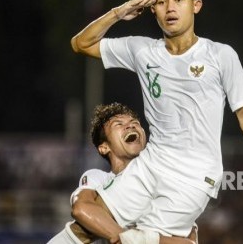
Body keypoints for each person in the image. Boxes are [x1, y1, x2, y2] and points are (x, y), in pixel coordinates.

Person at [71, 0, 243, 242]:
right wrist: (118, 13)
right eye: (161, 1)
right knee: (88, 225)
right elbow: (81, 43)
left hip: (195, 175)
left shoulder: (220, 55)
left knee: (140, 238)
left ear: (196, 6)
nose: (170, 8)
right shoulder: (142, 50)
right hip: (150, 165)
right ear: (152, 9)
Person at [47, 103, 197, 244]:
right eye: (119, 124)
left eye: (135, 122)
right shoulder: (99, 178)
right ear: (104, 147)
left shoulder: (167, 186)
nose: (130, 125)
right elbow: (81, 209)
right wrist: (133, 238)